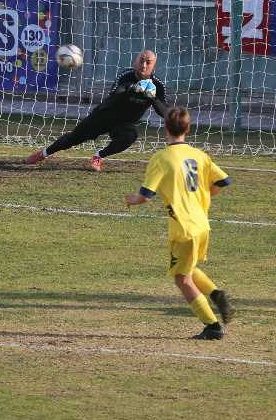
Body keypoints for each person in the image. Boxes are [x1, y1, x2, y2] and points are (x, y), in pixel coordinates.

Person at [123, 106, 235, 340]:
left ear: (165, 128)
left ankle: (212, 325)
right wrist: (207, 191)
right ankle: (216, 295)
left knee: (181, 278)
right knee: (189, 268)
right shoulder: (200, 156)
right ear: (188, 128)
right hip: (202, 225)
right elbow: (224, 181)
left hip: (183, 229)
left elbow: (145, 195)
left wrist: (132, 200)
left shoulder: (161, 158)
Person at [26, 50, 167, 172]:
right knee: (74, 138)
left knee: (130, 136)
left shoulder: (157, 86)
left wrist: (153, 98)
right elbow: (114, 96)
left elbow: (164, 112)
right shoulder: (126, 76)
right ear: (135, 61)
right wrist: (132, 87)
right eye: (141, 60)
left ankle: (99, 156)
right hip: (104, 115)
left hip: (125, 123)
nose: (143, 65)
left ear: (153, 66)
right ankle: (43, 153)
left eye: (148, 62)